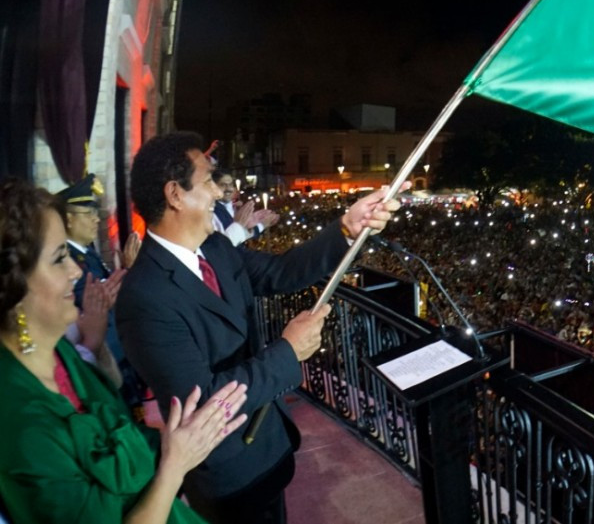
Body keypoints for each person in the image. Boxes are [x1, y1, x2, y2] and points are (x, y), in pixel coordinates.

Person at [116, 131, 402, 524]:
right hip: (229, 473)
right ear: (175, 195)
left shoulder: (215, 249)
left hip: (269, 443)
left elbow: (282, 272)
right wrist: (288, 352)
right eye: (209, 181)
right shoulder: (144, 296)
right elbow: (204, 404)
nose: (220, 193)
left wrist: (345, 230)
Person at [0, 177, 249, 523]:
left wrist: (96, 344)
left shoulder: (55, 352)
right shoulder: (20, 423)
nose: (75, 271)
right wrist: (175, 464)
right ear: (14, 283)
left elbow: (109, 400)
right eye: (59, 259)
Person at [57, 174, 148, 413]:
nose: (97, 219)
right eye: (88, 213)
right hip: (103, 357)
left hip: (115, 355)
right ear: (68, 219)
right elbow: (98, 300)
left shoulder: (87, 253)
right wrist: (128, 271)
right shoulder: (72, 261)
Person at [211, 167, 277, 247]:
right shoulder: (212, 212)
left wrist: (259, 226)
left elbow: (239, 237)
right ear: (213, 187)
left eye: (231, 184)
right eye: (223, 185)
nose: (229, 189)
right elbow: (223, 246)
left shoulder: (233, 208)